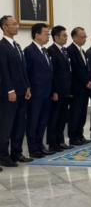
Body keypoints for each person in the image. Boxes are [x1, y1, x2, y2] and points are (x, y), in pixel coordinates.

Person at [0, 15, 32, 168]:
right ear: (5, 27)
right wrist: (10, 90)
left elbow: (22, 69)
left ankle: (17, 152)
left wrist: (27, 86)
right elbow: (4, 71)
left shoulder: (17, 45)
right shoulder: (2, 46)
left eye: (17, 23)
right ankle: (3, 155)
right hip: (10, 93)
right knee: (7, 125)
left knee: (20, 124)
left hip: (21, 91)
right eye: (13, 24)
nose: (17, 26)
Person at [24, 23, 55, 158]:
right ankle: (33, 148)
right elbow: (27, 72)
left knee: (43, 121)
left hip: (46, 92)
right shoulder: (29, 51)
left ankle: (40, 145)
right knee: (33, 121)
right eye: (46, 33)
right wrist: (29, 88)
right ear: (37, 35)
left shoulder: (45, 51)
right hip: (35, 93)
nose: (48, 36)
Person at [47, 26, 74, 152]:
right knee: (55, 117)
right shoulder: (51, 51)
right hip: (57, 90)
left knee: (63, 116)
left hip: (66, 90)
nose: (66, 38)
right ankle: (52, 142)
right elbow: (52, 74)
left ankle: (60, 140)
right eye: (64, 35)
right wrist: (54, 90)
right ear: (56, 37)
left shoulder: (65, 51)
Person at [67, 27, 91, 146]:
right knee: (75, 113)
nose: (85, 39)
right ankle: (73, 137)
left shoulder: (82, 50)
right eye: (82, 37)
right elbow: (76, 69)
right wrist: (85, 81)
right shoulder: (70, 50)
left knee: (82, 113)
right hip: (77, 87)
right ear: (75, 37)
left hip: (85, 87)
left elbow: (86, 68)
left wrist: (90, 80)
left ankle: (80, 134)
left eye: (85, 37)